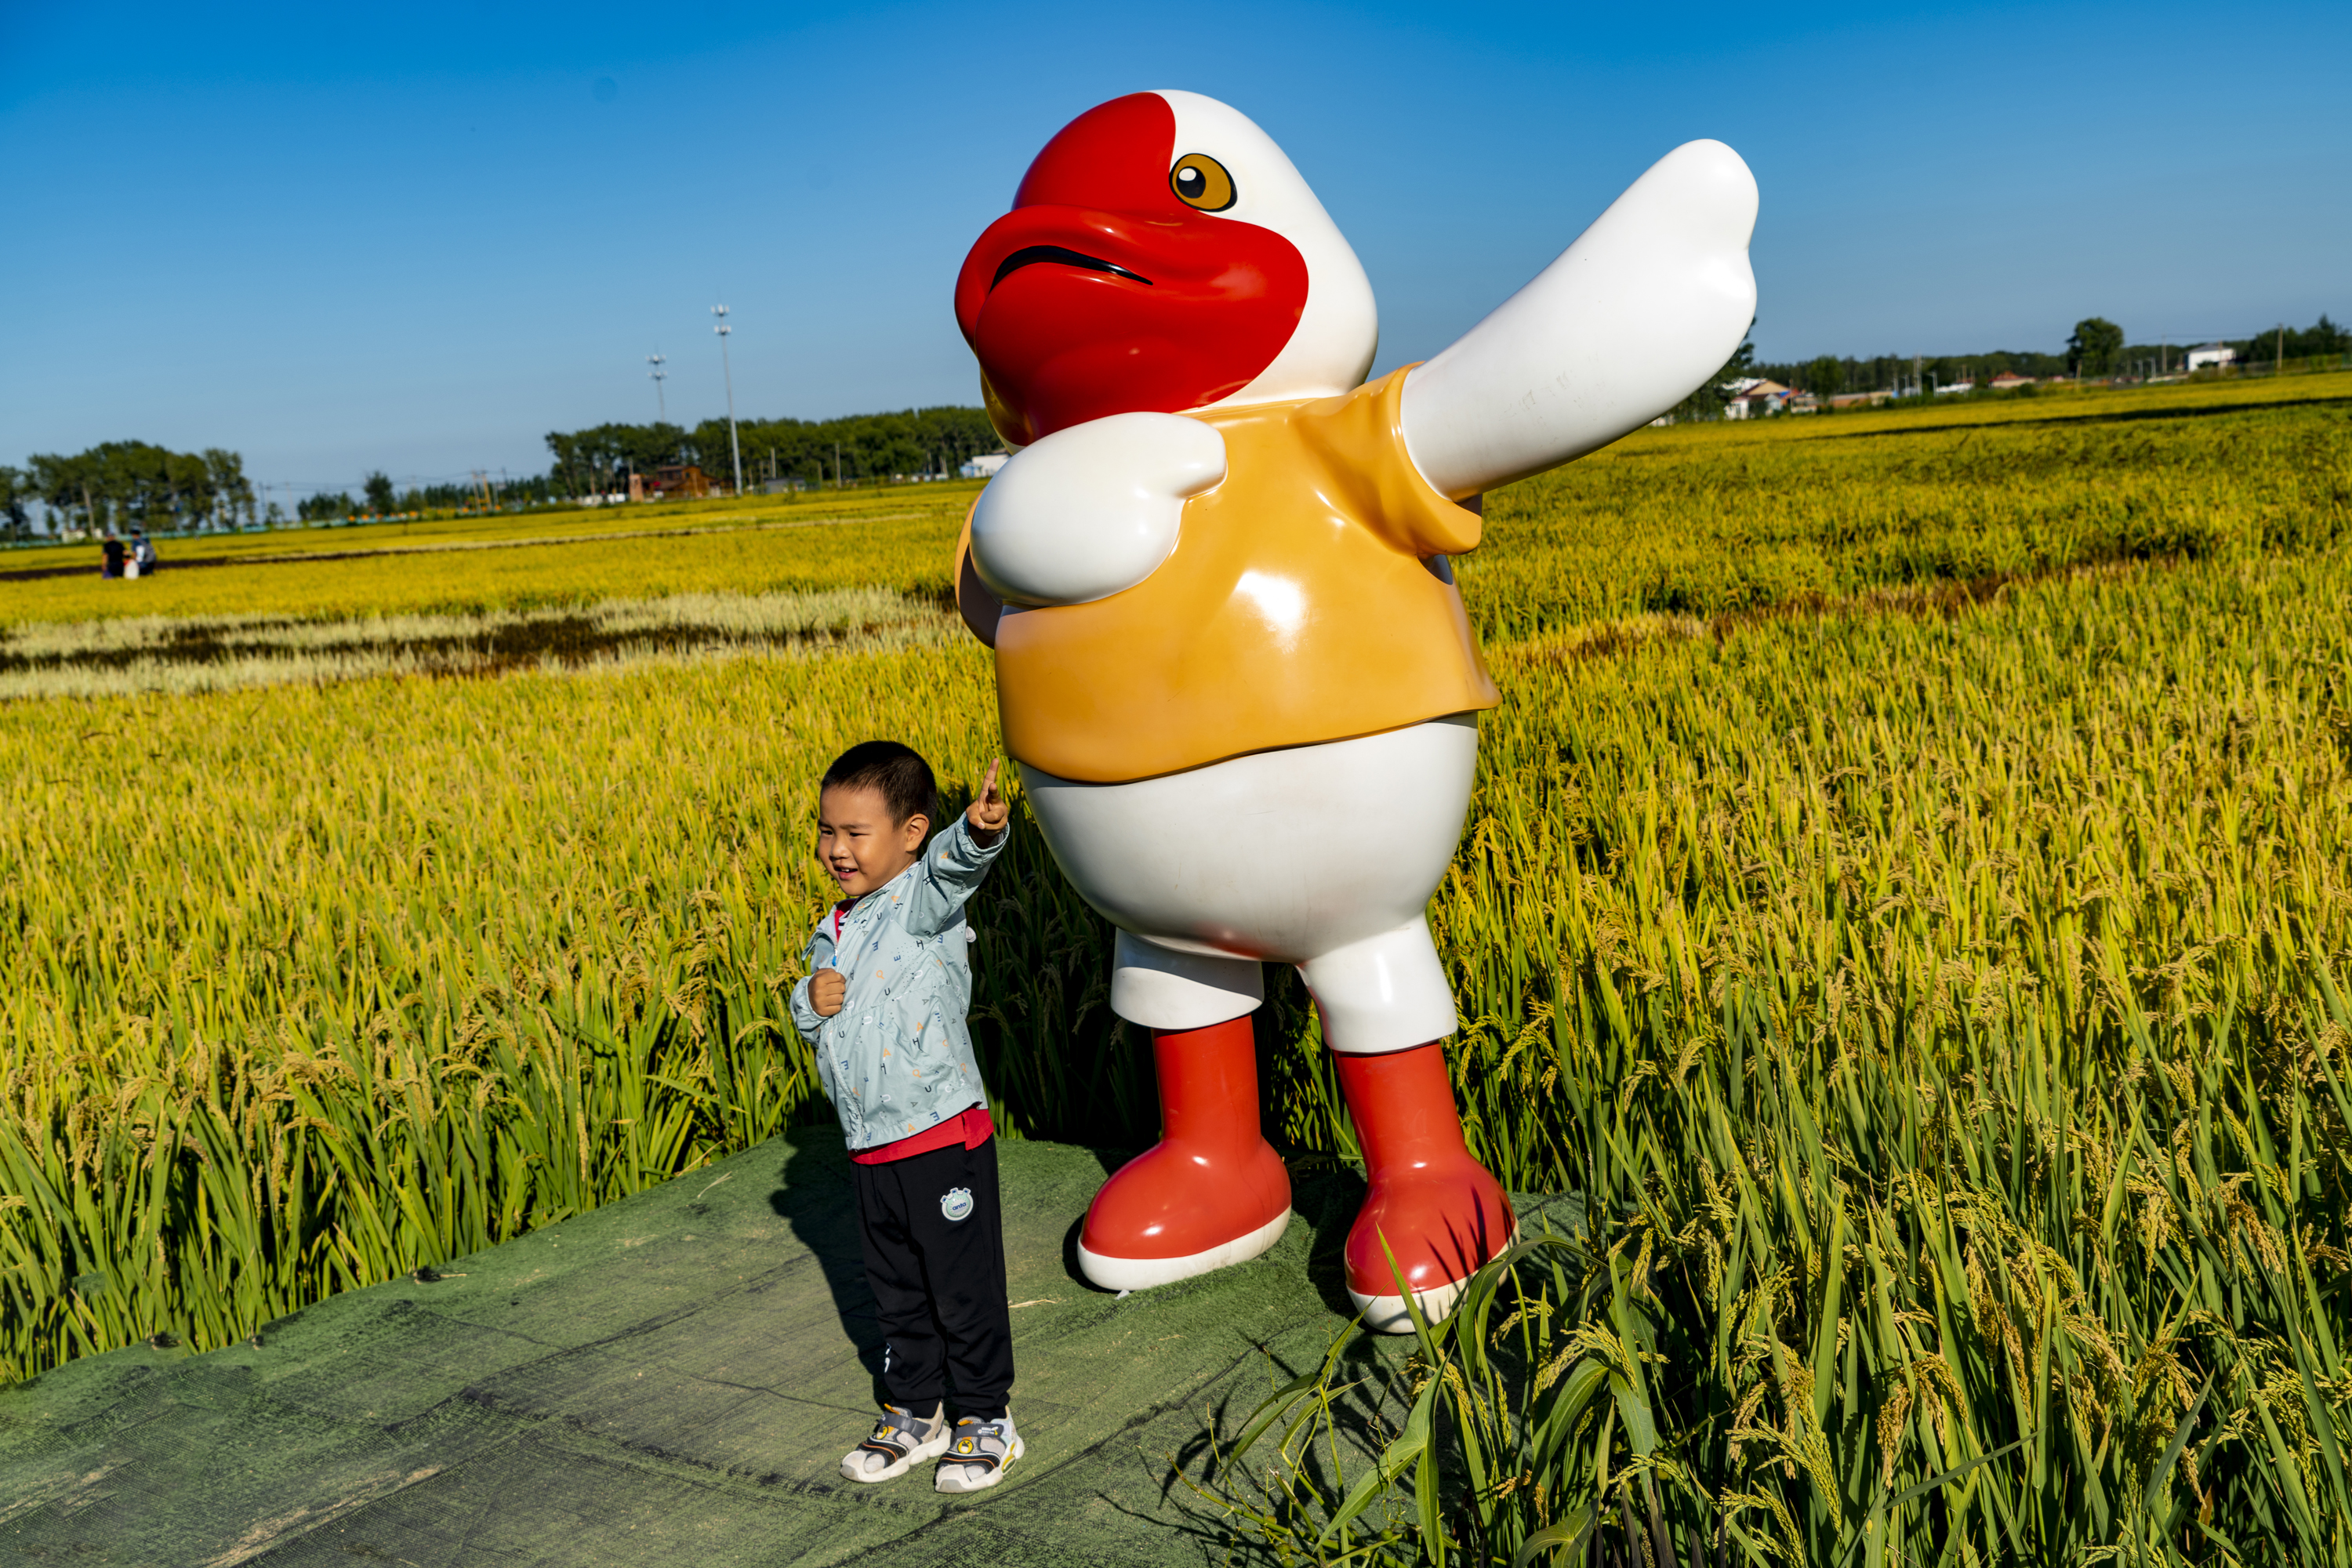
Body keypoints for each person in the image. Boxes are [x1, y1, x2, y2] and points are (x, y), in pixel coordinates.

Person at [790, 741, 1021, 1493]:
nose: (836, 849)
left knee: (962, 1283)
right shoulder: (835, 928)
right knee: (896, 1289)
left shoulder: (924, 900)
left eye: (856, 833)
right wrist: (808, 1000)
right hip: (870, 1147)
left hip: (940, 1136)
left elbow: (960, 864)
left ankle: (986, 1416)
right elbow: (820, 1014)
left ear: (912, 833)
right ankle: (917, 1411)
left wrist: (979, 831)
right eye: (828, 831)